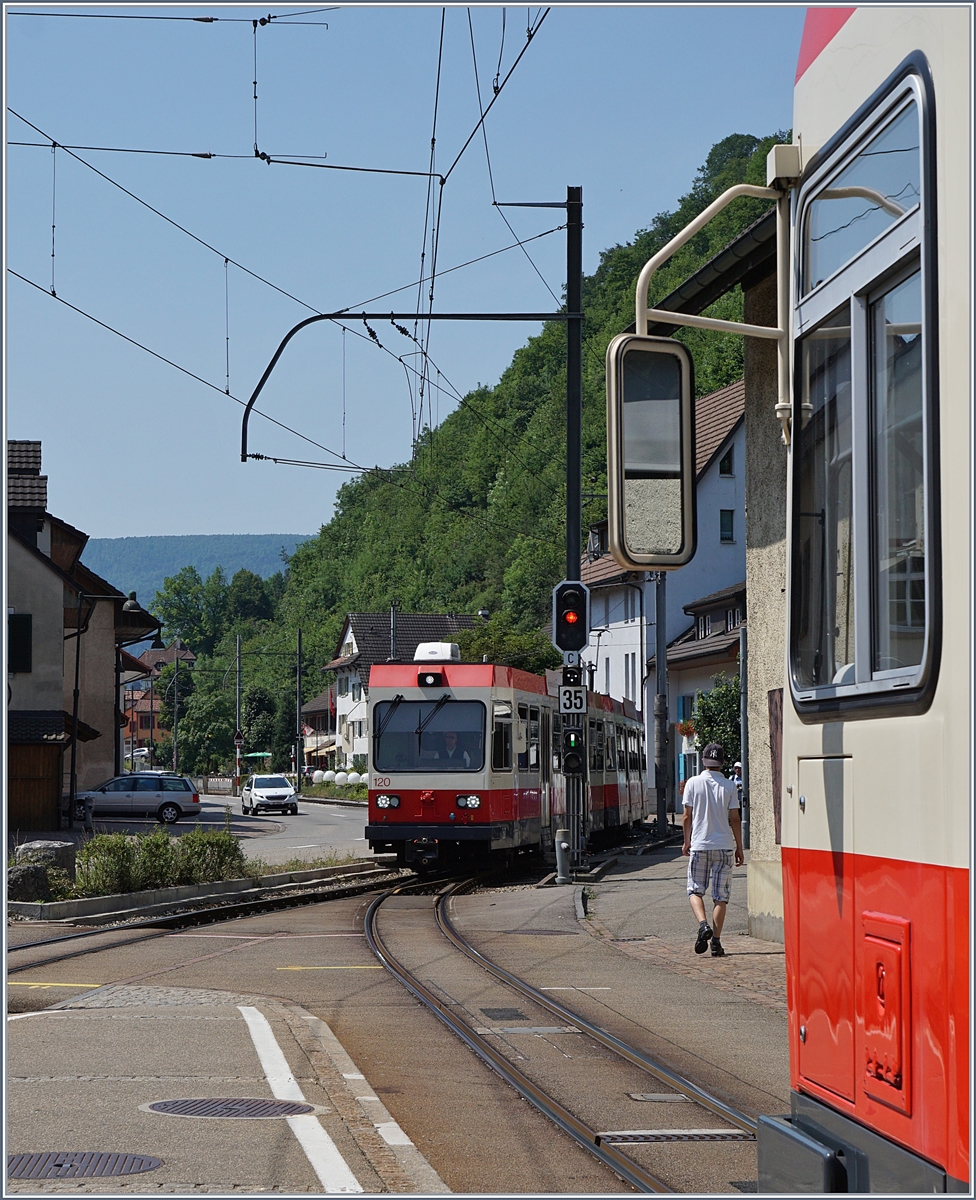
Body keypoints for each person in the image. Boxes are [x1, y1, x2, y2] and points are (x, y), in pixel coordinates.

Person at [682, 742, 744, 957]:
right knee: (721, 897)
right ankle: (716, 943)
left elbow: (687, 816)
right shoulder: (729, 786)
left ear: (703, 761)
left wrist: (686, 841)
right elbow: (734, 818)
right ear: (723, 763)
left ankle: (702, 925)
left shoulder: (692, 783)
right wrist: (740, 847)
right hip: (725, 846)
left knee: (695, 890)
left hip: (700, 844)